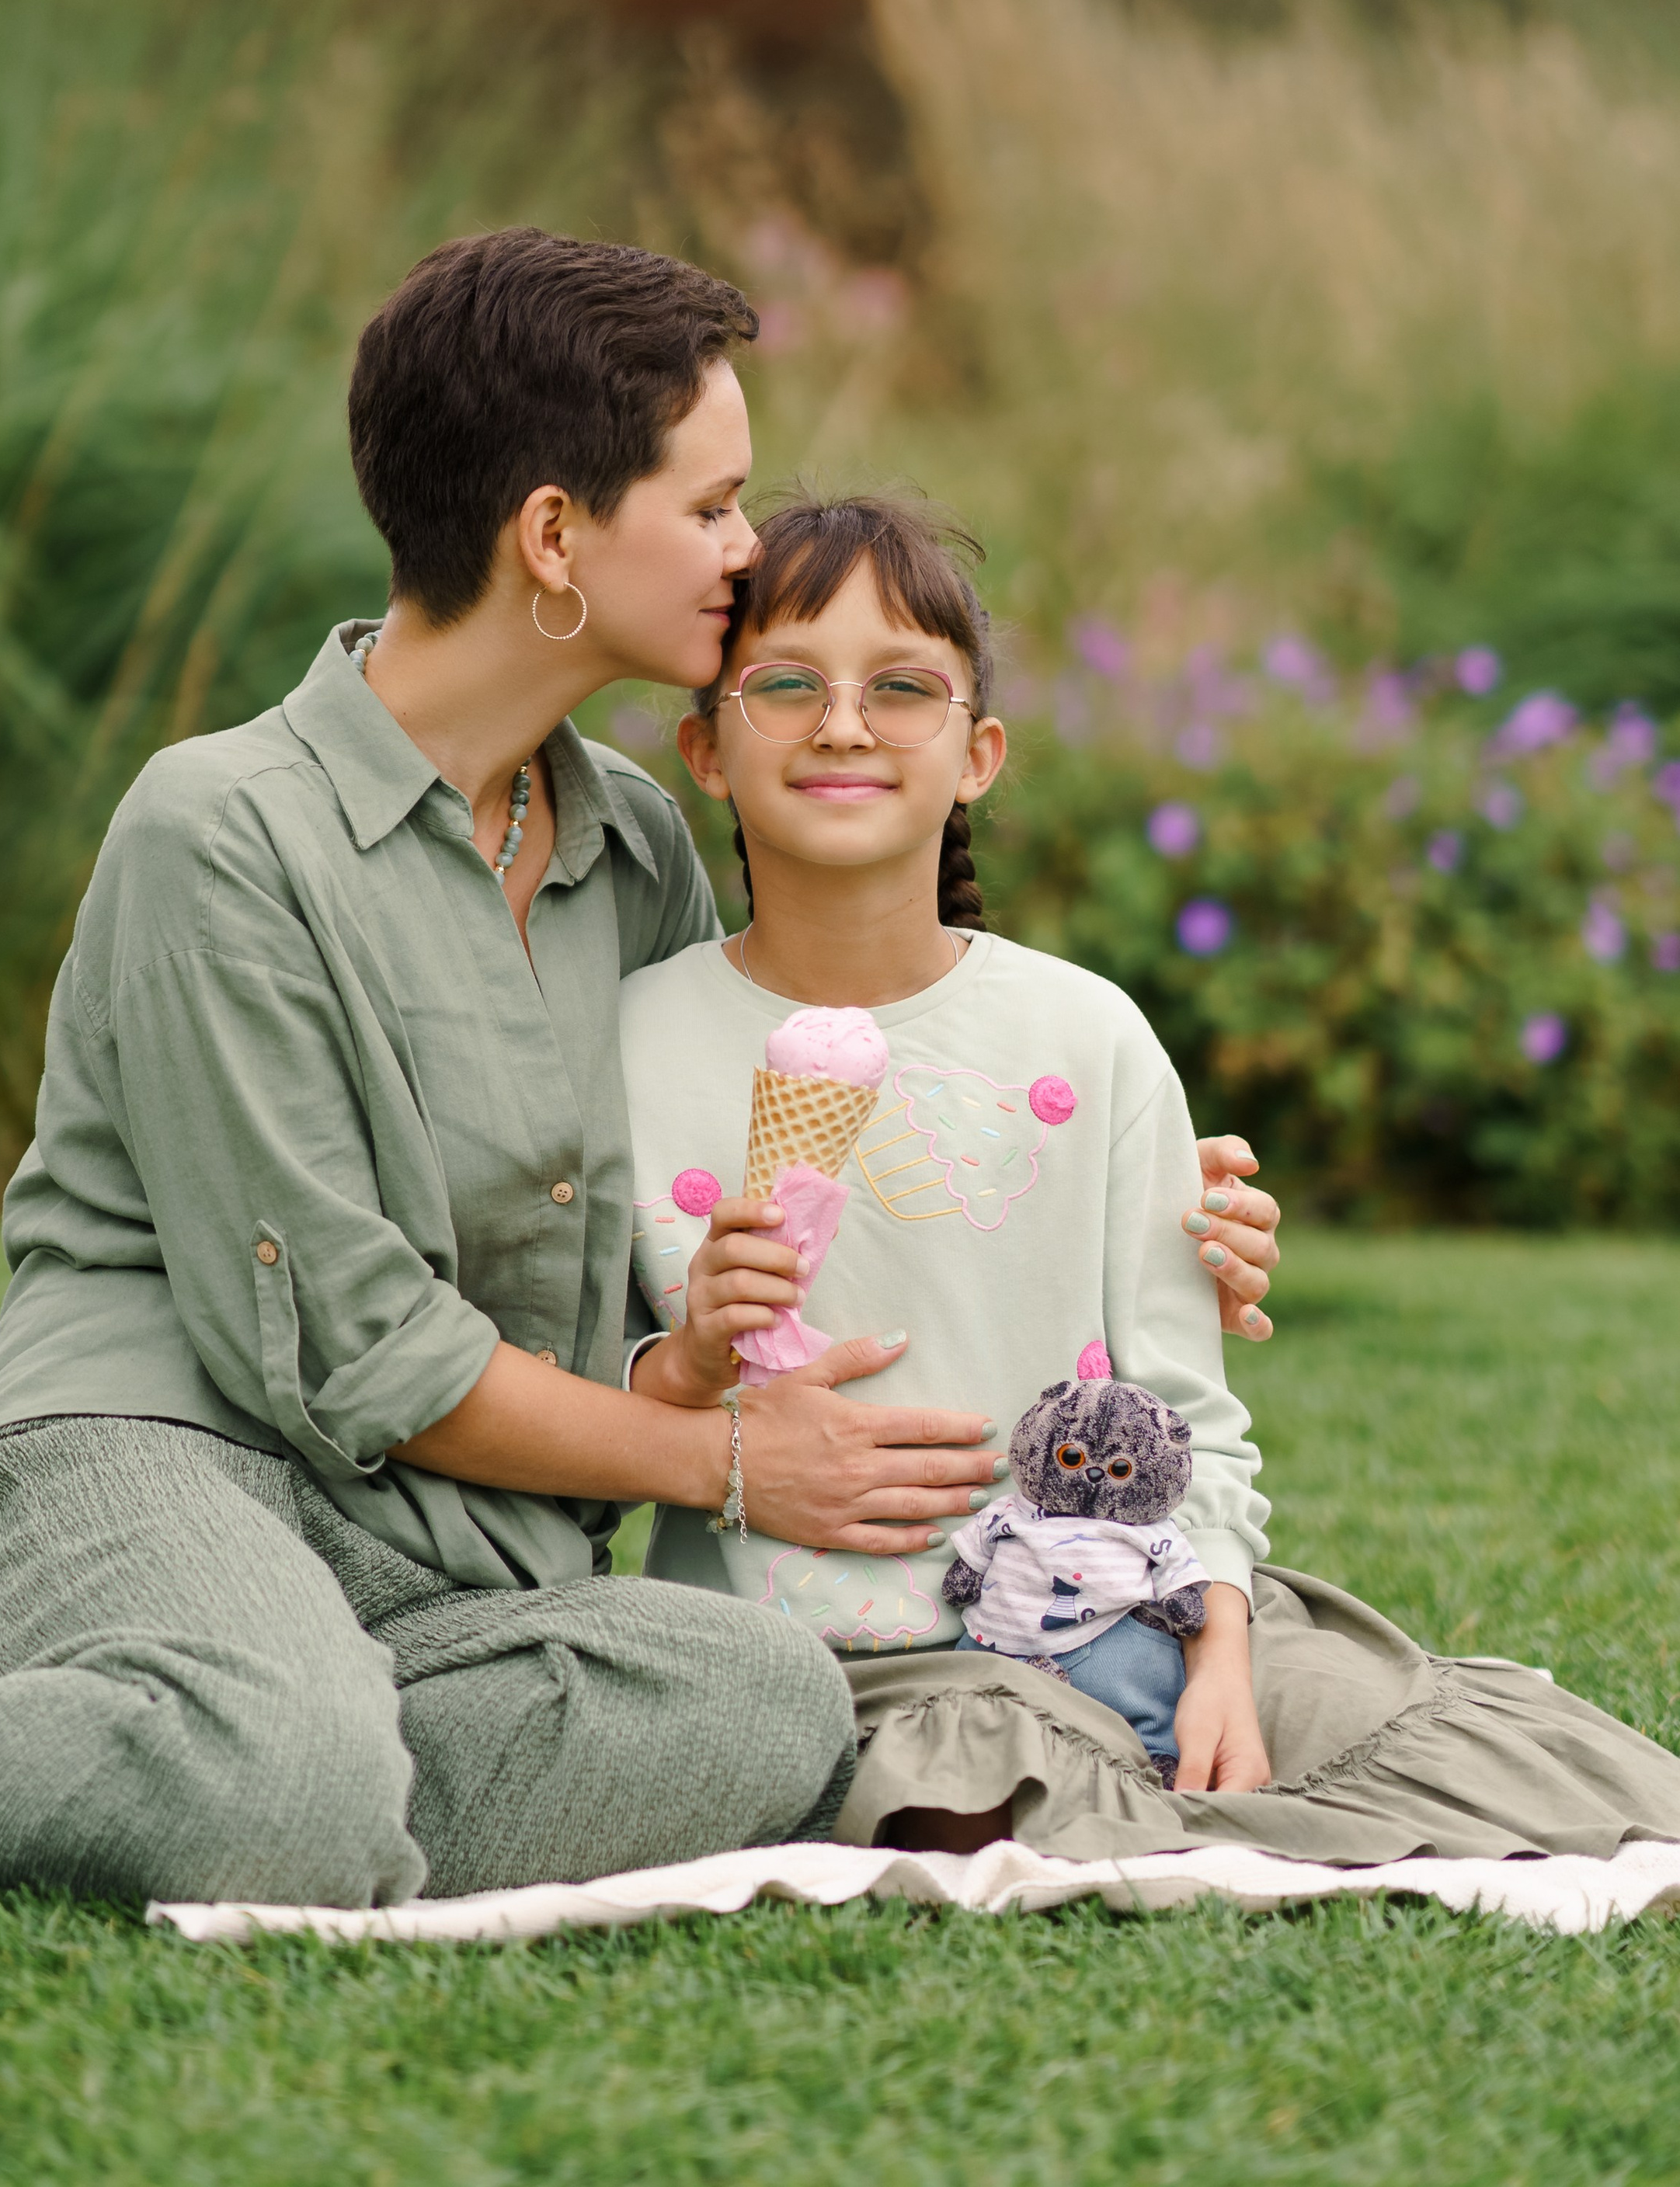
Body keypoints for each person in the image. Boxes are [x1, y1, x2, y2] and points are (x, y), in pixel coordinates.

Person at [0, 231, 1270, 1910]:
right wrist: (723, 1465)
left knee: (760, 1708)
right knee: (278, 1786)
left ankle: (262, 1751)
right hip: (172, 1454)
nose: (746, 553)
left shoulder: (632, 843)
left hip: (470, 1547)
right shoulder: (220, 834)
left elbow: (741, 1175)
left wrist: (1148, 1201)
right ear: (551, 540)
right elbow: (344, 1345)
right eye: (713, 505)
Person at [621, 491, 1680, 1861]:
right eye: (787, 685)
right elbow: (580, 1400)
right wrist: (698, 1358)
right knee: (990, 1778)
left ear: (980, 753)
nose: (842, 724)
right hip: (807, 1653)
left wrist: (1223, 1652)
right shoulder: (635, 1042)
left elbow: (1185, 1409)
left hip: (1115, 1611)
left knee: (1477, 1765)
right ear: (706, 749)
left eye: (903, 687)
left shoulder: (1088, 1036)